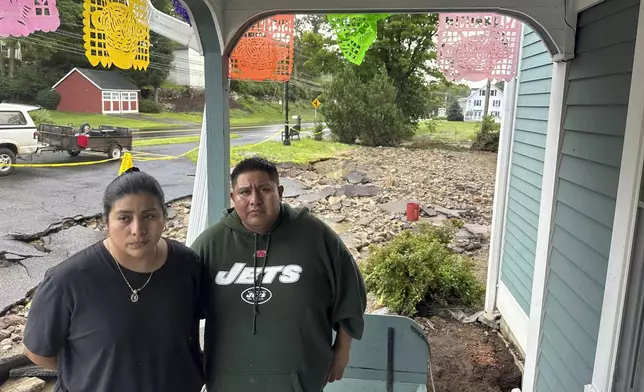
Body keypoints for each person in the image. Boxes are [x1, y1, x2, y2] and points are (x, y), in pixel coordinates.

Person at [191, 157, 367, 392]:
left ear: (280, 191)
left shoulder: (316, 236)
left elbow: (350, 293)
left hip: (300, 379)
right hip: (229, 380)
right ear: (233, 198)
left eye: (264, 189)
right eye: (244, 192)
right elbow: (183, 310)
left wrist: (342, 352)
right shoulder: (210, 244)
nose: (255, 200)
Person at [22, 167, 205, 392]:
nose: (138, 230)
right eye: (124, 218)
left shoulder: (186, 265)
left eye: (149, 216)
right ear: (106, 221)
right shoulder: (67, 281)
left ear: (164, 217)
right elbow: (37, 352)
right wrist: (89, 372)